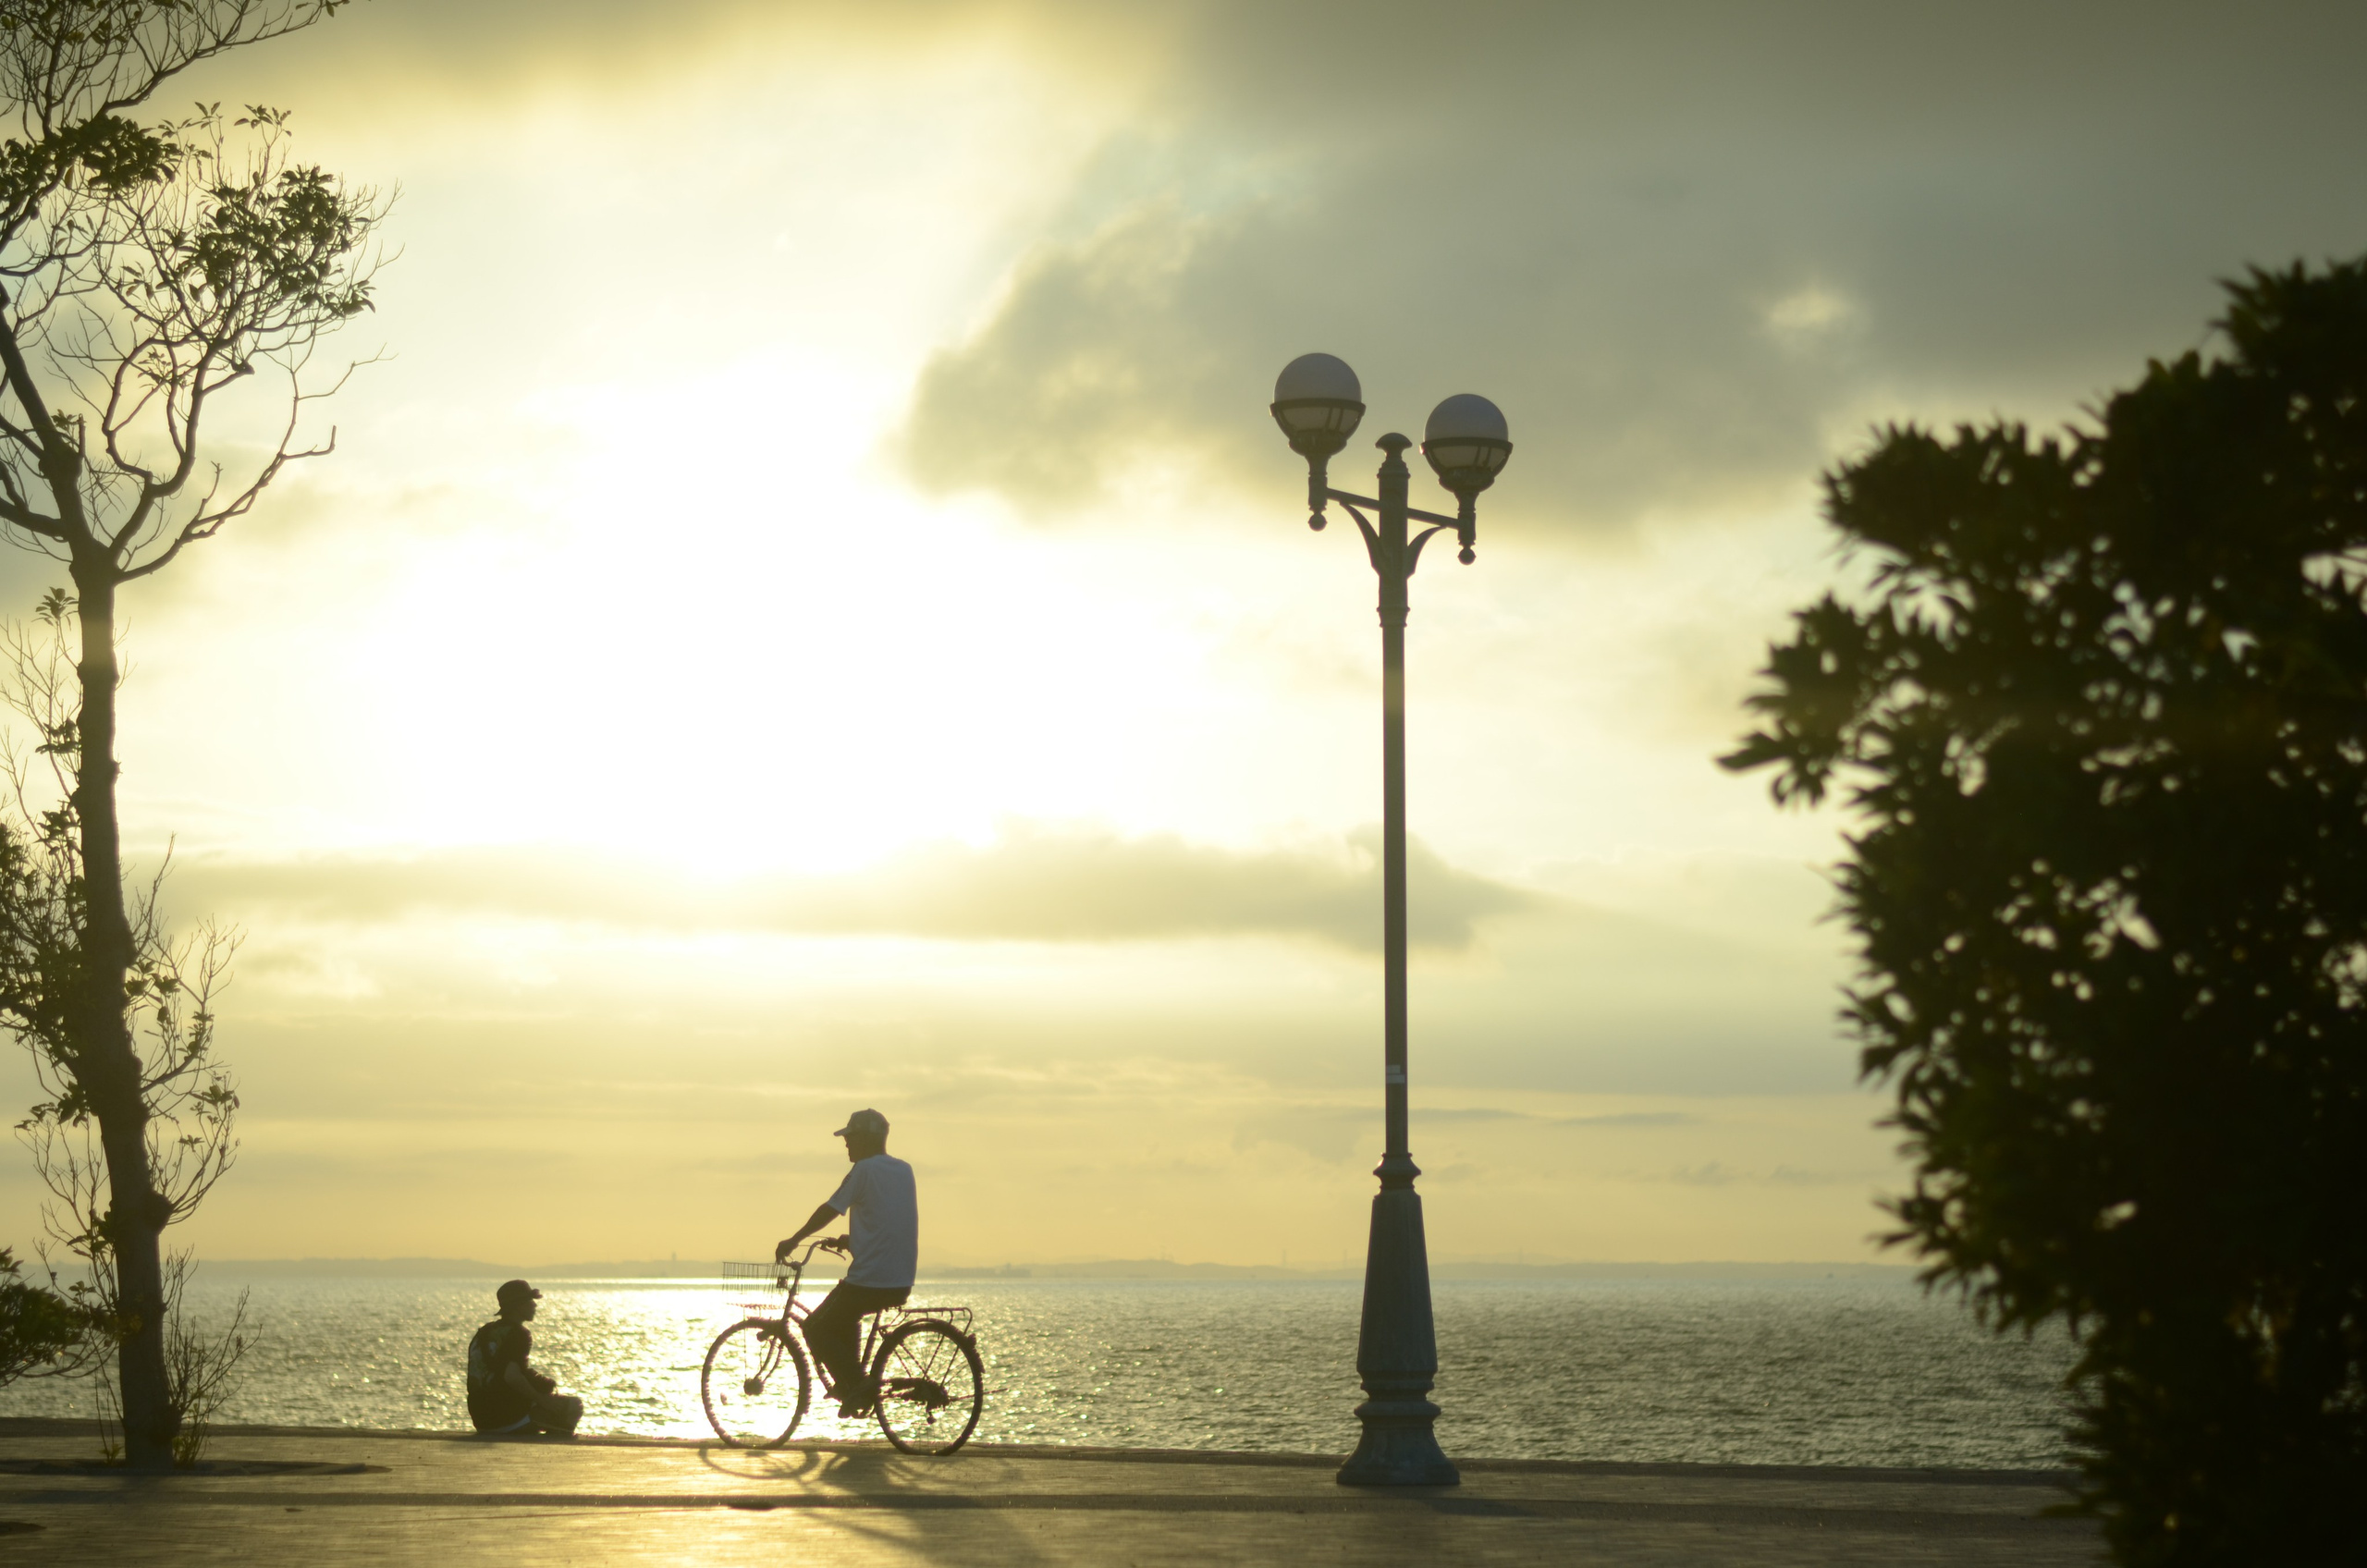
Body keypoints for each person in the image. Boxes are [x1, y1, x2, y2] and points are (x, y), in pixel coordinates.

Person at [777, 1108, 918, 1417]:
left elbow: (831, 1208)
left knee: (814, 1327)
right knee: (844, 1315)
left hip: (871, 1280)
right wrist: (851, 1241)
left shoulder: (864, 1170)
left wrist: (793, 1238)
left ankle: (856, 1385)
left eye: (851, 1137)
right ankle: (853, 1384)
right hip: (901, 1279)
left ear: (867, 1139)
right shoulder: (903, 1170)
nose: (846, 1144)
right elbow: (889, 1224)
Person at [465, 1279, 583, 1437]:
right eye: (530, 1301)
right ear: (518, 1306)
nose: (534, 1305)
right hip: (506, 1418)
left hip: (481, 1419)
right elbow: (512, 1376)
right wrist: (543, 1400)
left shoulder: (483, 1333)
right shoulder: (519, 1334)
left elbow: (499, 1373)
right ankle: (547, 1445)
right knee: (573, 1406)